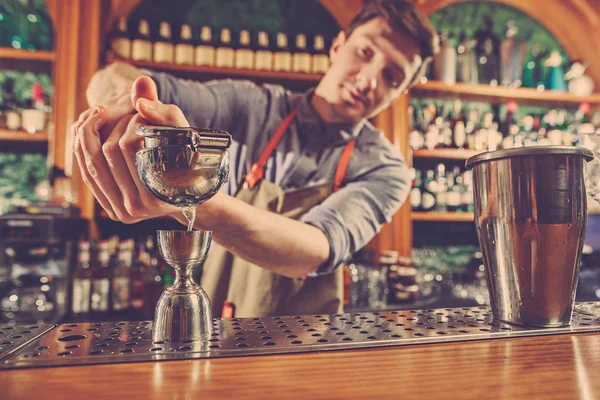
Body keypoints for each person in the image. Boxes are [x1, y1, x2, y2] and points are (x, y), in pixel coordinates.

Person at [73, 0, 439, 317]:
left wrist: (189, 194)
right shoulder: (250, 105)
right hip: (213, 325)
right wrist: (128, 109)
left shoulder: (387, 170)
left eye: (391, 77)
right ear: (338, 46)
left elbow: (316, 249)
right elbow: (123, 80)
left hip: (306, 348)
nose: (369, 80)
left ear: (400, 93)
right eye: (365, 52)